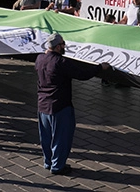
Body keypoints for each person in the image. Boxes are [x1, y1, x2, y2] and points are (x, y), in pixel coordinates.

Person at [36, 32, 110, 175]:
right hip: (60, 105)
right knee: (61, 137)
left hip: (42, 104)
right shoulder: (61, 62)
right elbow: (82, 74)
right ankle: (58, 166)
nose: (65, 46)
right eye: (63, 44)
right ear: (58, 47)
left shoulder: (39, 59)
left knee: (46, 136)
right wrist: (100, 67)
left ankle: (48, 162)